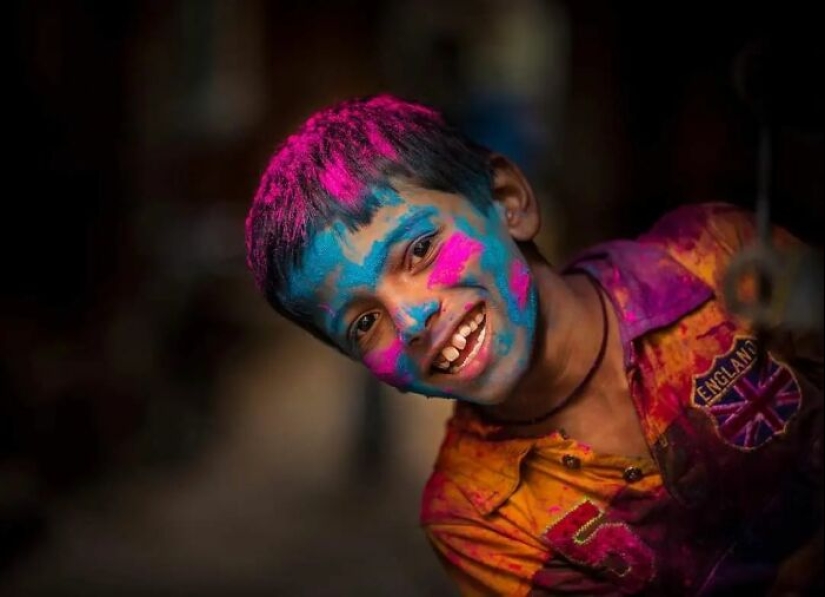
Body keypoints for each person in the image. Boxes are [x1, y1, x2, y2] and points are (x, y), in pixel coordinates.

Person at [245, 95, 822, 595]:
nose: (411, 317)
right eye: (364, 325)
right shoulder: (478, 521)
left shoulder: (717, 260)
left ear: (508, 200)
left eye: (419, 251)